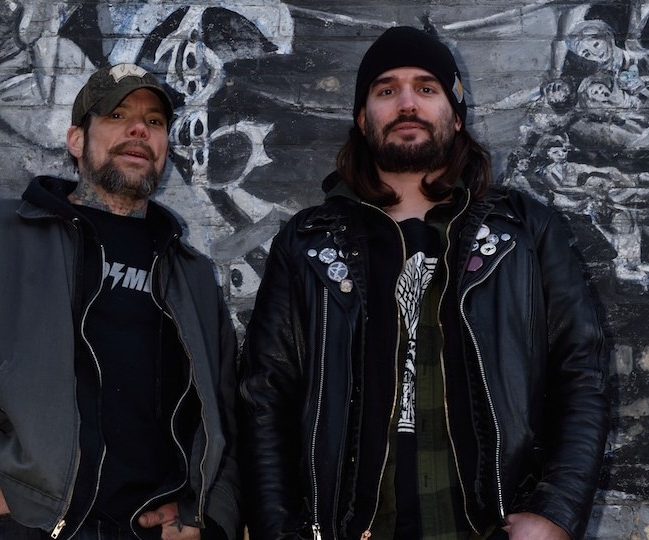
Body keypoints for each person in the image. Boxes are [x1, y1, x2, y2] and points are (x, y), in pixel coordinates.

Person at [237, 26, 609, 540]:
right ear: (362, 117)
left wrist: (556, 512)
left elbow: (581, 373)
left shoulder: (525, 230)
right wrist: (278, 532)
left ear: (455, 115)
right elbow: (264, 398)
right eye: (386, 90)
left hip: (490, 528)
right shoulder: (306, 243)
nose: (406, 103)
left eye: (426, 88)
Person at [0, 63, 239, 540]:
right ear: (77, 140)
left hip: (152, 529)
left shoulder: (193, 274)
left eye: (155, 121)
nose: (139, 129)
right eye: (117, 116)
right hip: (29, 523)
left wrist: (208, 515)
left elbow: (226, 414)